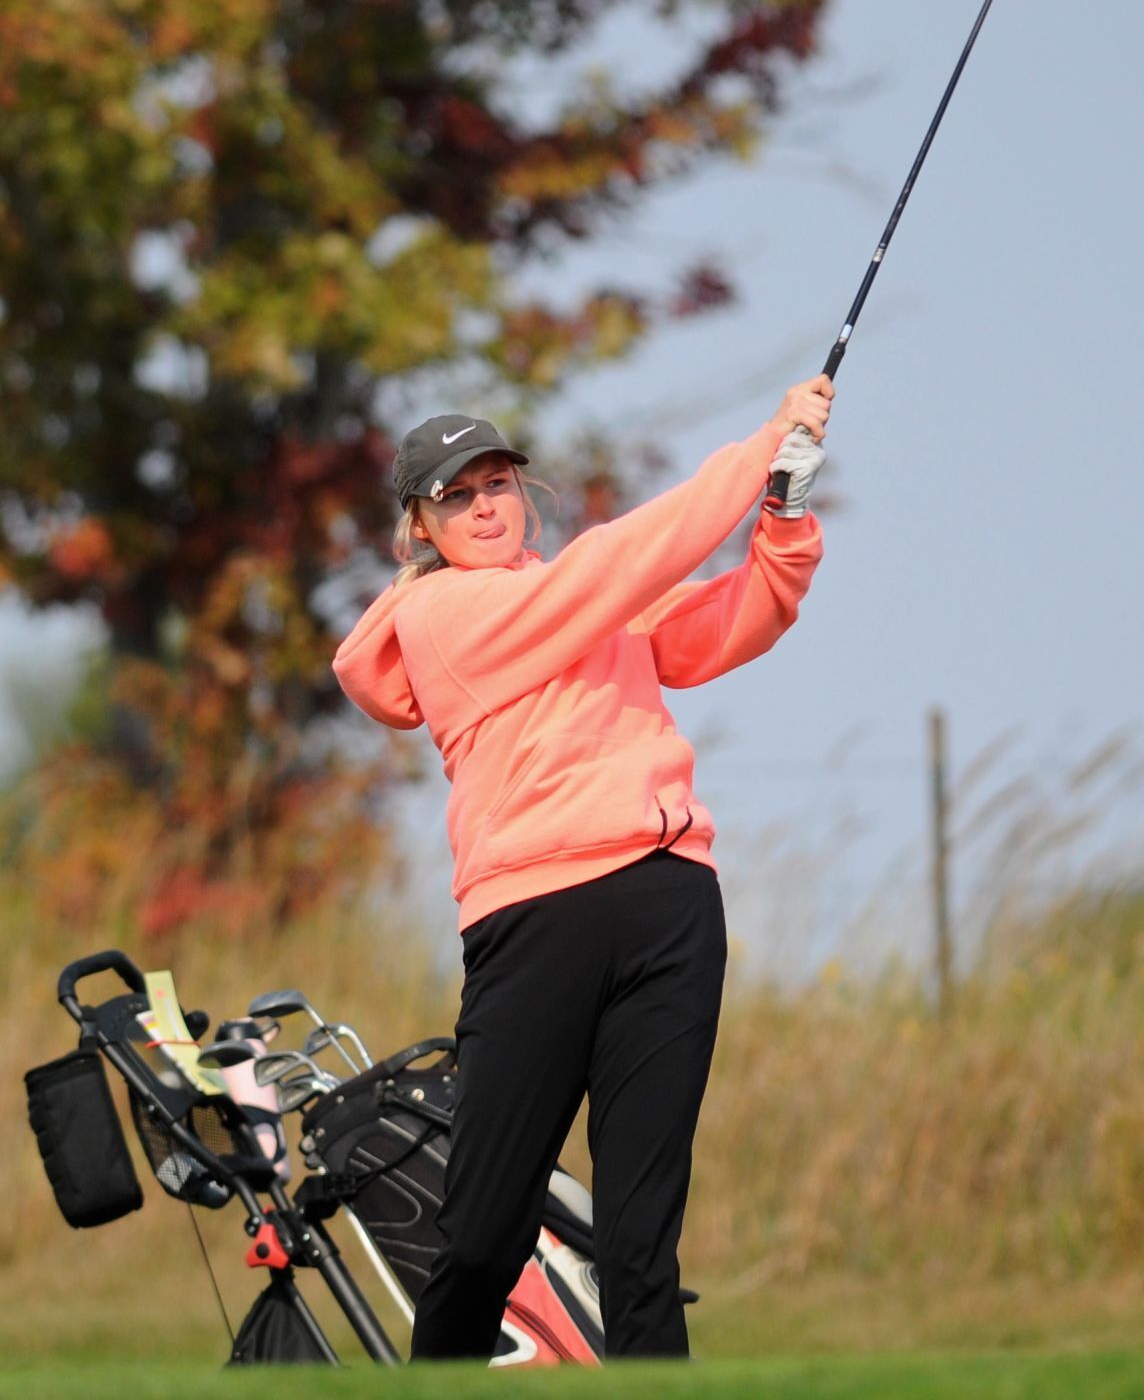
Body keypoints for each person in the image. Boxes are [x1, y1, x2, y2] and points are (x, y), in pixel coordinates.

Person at [332, 375, 833, 1361]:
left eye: (497, 484)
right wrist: (755, 444)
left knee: (641, 1240)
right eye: (456, 494)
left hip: (666, 901)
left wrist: (782, 510)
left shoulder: (576, 601)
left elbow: (732, 621)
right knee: (482, 1234)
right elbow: (609, 571)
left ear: (521, 492)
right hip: (537, 921)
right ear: (419, 527)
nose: (484, 506)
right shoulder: (439, 618)